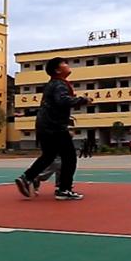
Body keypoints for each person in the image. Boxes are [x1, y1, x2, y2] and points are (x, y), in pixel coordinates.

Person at [15, 57, 91, 201]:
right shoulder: (59, 84)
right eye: (64, 64)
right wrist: (82, 100)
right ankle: (64, 189)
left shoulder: (52, 84)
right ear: (57, 70)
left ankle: (27, 177)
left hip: (45, 126)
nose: (67, 65)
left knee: (49, 156)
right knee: (69, 157)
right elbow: (62, 101)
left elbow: (46, 106)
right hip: (55, 127)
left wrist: (26, 113)